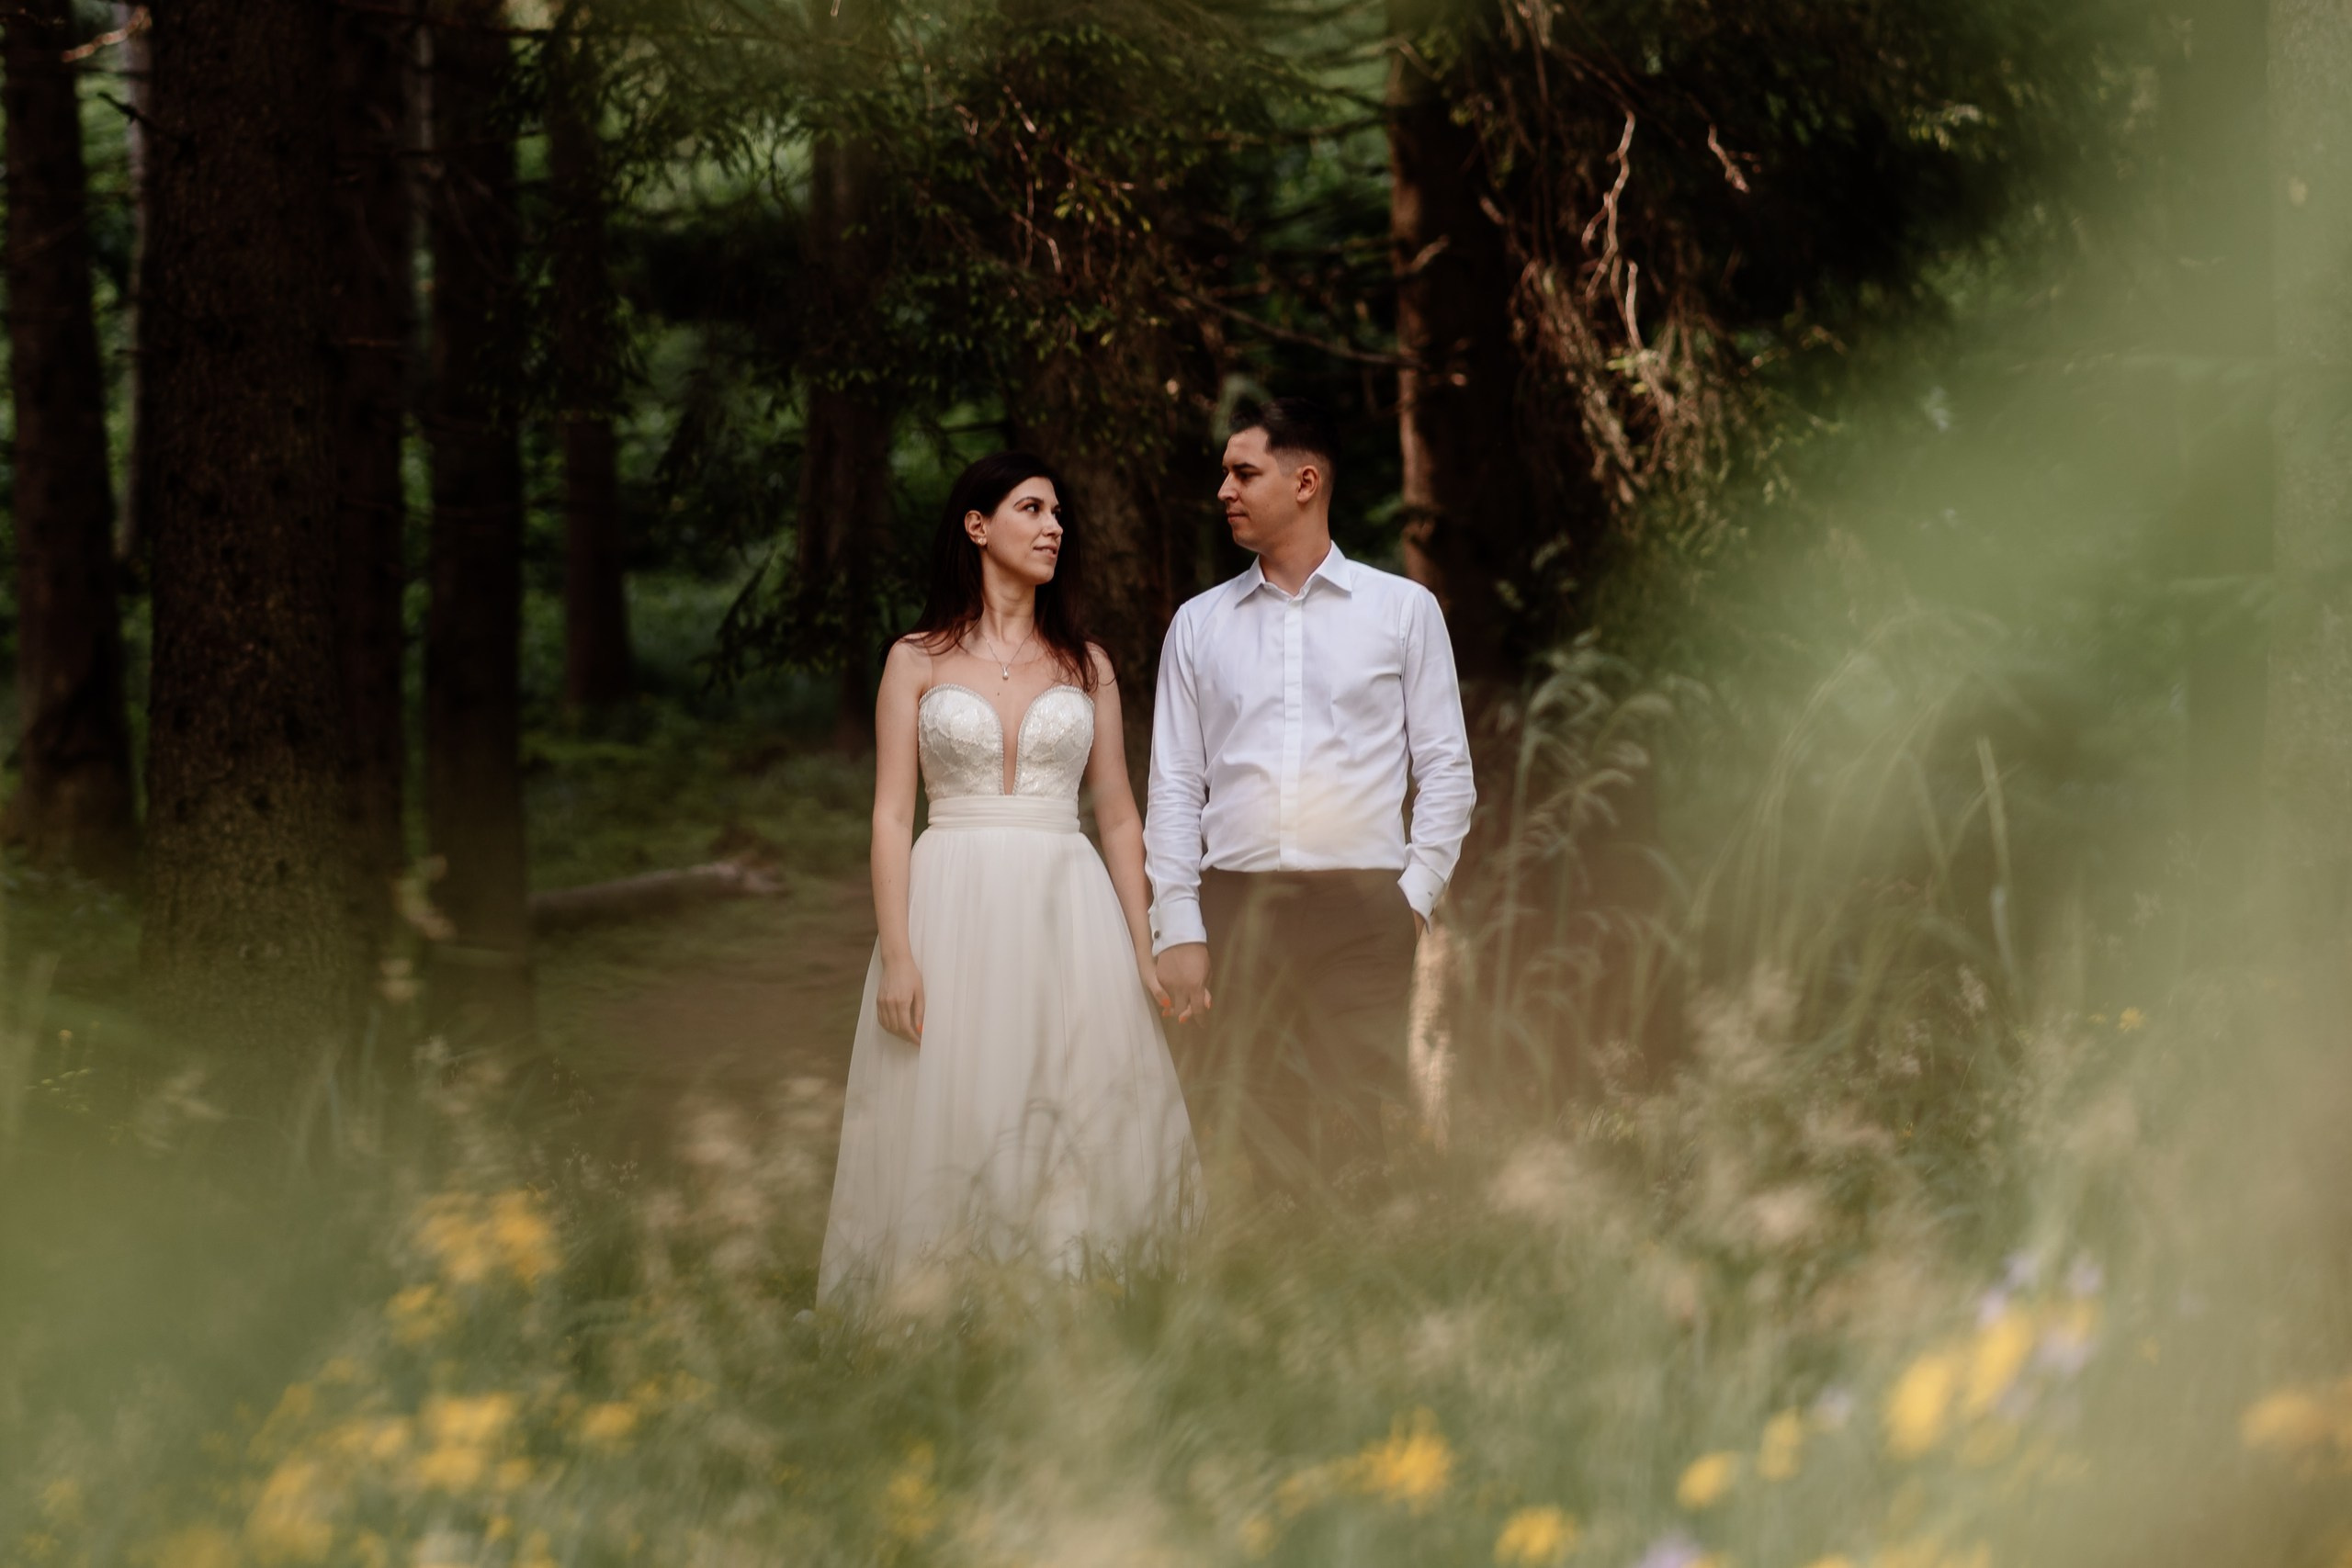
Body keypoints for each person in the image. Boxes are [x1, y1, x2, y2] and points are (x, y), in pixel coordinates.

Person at [819, 453, 1199, 1304]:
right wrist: (899, 952)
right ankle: (943, 1297)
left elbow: (1119, 815)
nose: (1054, 525)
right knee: (955, 1087)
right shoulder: (914, 661)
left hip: (1069, 902)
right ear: (977, 525)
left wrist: (1147, 946)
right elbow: (889, 816)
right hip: (949, 895)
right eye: (1031, 508)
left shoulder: (1086, 664)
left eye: (1059, 512)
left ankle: (1076, 1298)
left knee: (1074, 1083)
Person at [1146, 398, 1475, 1191]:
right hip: (1233, 910)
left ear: (1305, 480)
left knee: (1358, 1125)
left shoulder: (1403, 611)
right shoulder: (1197, 624)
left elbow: (1447, 771)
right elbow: (1174, 785)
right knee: (1242, 1122)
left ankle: (1361, 1290)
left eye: (1243, 471)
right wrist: (1178, 924)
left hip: (1364, 913)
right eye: (1224, 472)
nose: (1224, 488)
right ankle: (1256, 1294)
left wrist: (1414, 898)